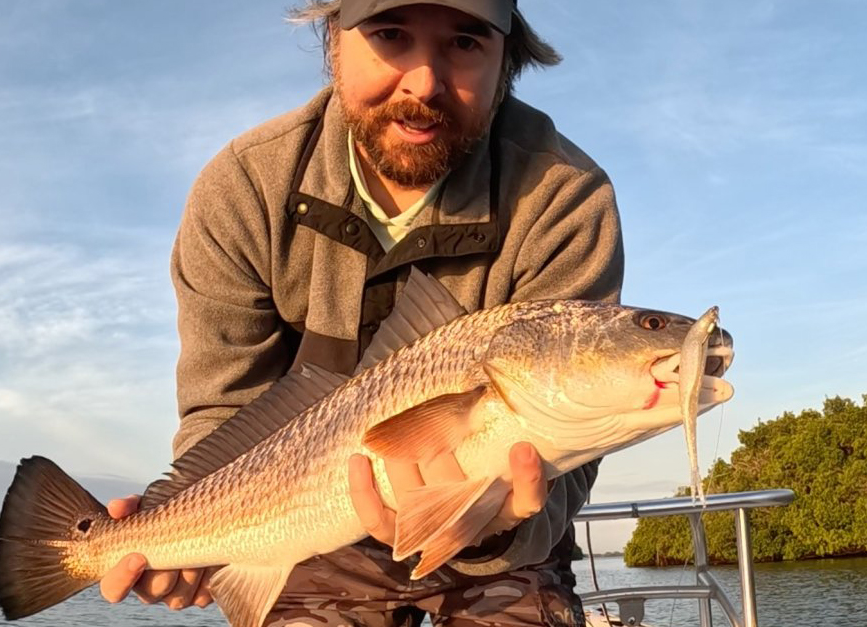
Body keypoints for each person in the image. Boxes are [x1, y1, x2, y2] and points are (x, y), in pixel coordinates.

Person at [100, 1, 624, 625]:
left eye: (464, 41)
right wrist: (188, 533)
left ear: (507, 57)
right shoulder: (243, 188)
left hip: (506, 552)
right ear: (332, 38)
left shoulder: (565, 198)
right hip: (307, 535)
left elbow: (570, 464)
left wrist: (501, 526)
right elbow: (224, 410)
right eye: (391, 35)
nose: (424, 81)